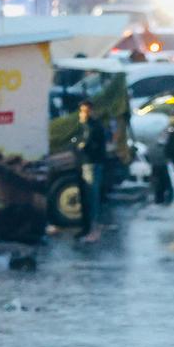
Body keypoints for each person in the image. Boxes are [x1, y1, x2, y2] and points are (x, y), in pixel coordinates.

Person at [74, 100, 108, 242]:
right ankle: (89, 229)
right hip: (90, 164)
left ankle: (93, 231)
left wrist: (81, 146)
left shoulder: (91, 127)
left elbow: (87, 145)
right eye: (82, 111)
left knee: (91, 198)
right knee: (89, 198)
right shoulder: (87, 126)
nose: (83, 114)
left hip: (91, 164)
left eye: (85, 111)